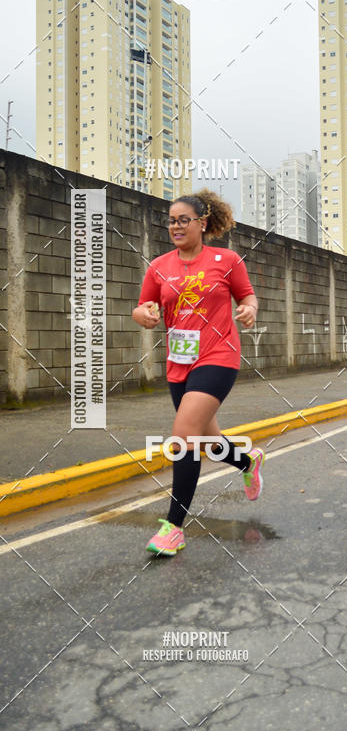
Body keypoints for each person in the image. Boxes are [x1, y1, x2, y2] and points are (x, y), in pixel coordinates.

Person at [132, 190, 264, 556]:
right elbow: (143, 307)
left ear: (202, 223)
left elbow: (248, 297)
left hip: (219, 356)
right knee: (207, 442)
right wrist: (143, 315)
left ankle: (173, 527)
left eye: (183, 220)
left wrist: (249, 310)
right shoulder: (159, 266)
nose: (175, 226)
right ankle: (247, 460)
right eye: (171, 220)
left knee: (184, 434)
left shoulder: (227, 260)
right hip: (179, 364)